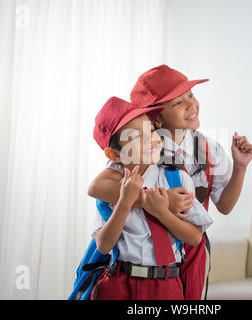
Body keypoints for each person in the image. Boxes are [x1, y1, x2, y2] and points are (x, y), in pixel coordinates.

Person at [88, 65, 252, 299]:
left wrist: (240, 167)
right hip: (137, 256)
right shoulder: (141, 151)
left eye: (191, 95)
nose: (191, 105)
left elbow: (225, 206)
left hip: (189, 242)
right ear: (155, 117)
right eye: (177, 103)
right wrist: (163, 202)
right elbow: (98, 187)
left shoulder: (208, 149)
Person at [90, 96, 213, 300]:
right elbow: (103, 245)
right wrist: (125, 201)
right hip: (119, 282)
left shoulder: (177, 179)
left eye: (151, 131)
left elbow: (194, 237)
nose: (150, 139)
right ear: (115, 155)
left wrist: (161, 211)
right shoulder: (112, 189)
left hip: (166, 284)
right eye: (137, 138)